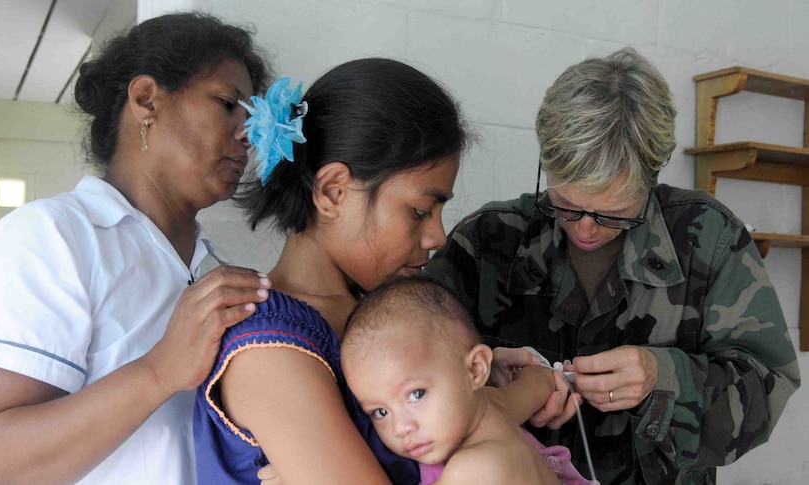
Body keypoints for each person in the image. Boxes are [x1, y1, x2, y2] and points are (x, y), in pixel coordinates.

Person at [425, 47, 801, 485]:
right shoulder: (486, 242)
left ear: (653, 177)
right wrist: (490, 377)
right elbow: (407, 380)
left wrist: (665, 380)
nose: (585, 229)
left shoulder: (708, 238)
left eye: (614, 213)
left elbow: (767, 389)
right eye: (566, 204)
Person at [192, 58, 558, 485]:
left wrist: (464, 381)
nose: (437, 236)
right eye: (420, 210)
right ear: (333, 192)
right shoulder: (270, 348)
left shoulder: (378, 315)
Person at [0, 12, 273, 484]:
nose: (247, 134)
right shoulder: (50, 237)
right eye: (227, 104)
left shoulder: (214, 270)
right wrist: (161, 369)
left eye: (252, 118)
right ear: (146, 100)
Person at [341, 275, 605, 485]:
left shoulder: (471, 471)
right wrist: (550, 375)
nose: (400, 427)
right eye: (380, 411)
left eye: (416, 394)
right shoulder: (495, 404)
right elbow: (540, 380)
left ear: (476, 369)